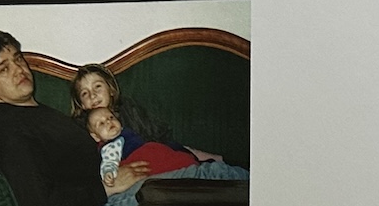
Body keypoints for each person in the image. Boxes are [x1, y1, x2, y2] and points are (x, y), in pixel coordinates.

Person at [0, 32, 149, 206]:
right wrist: (108, 187)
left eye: (18, 59)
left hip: (103, 195)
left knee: (177, 184)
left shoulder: (29, 112)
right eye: (4, 69)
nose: (18, 69)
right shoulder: (9, 130)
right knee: (176, 192)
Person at [69, 63, 248, 180]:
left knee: (204, 166)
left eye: (97, 86)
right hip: (138, 175)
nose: (92, 95)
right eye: (85, 93)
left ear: (111, 90)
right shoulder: (80, 129)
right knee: (205, 174)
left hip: (161, 155)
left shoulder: (128, 110)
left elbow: (159, 139)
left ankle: (221, 164)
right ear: (81, 104)